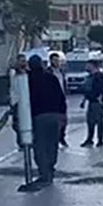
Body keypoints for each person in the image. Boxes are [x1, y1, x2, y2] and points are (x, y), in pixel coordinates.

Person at [25, 55, 66, 188]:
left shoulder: (28, 80)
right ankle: (50, 169)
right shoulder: (51, 78)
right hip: (54, 115)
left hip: (39, 116)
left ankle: (45, 174)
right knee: (52, 144)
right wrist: (63, 114)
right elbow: (61, 97)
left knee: (40, 146)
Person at [80, 60, 103, 147]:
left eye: (88, 65)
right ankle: (90, 139)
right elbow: (87, 90)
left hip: (97, 102)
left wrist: (100, 100)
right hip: (91, 101)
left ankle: (100, 140)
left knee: (98, 121)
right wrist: (84, 101)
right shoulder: (90, 77)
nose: (86, 67)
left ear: (93, 66)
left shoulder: (99, 76)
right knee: (90, 121)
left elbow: (102, 89)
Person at [48, 52, 69, 148]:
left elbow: (64, 83)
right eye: (55, 60)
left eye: (58, 61)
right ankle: (55, 138)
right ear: (51, 61)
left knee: (63, 119)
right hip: (52, 99)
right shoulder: (48, 72)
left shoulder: (61, 72)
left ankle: (62, 137)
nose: (57, 62)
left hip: (62, 98)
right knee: (54, 120)